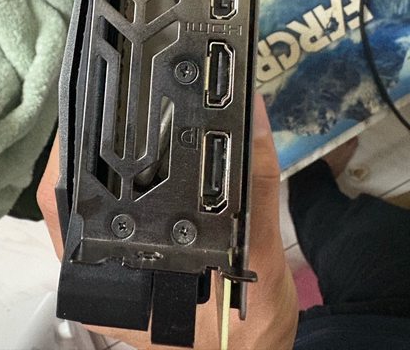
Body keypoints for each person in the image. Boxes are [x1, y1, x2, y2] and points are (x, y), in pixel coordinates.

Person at [37, 97, 410, 349]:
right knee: (348, 226)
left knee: (334, 224)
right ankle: (315, 177)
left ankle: (314, 182)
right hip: (383, 321)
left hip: (327, 335)